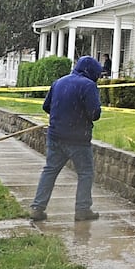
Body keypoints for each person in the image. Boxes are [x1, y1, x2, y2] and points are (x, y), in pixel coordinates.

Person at [28, 55, 104, 222]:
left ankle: (37, 207)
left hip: (55, 136)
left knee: (50, 171)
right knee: (85, 173)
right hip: (78, 139)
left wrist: (62, 116)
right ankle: (82, 210)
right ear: (92, 72)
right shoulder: (89, 85)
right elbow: (94, 114)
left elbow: (46, 106)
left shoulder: (59, 82)